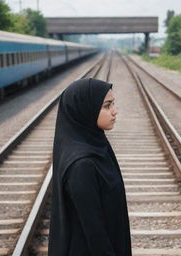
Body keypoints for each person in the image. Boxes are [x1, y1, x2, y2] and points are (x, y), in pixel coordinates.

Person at [48, 78, 132, 256]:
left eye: (113, 104)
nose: (114, 112)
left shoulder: (96, 146)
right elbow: (95, 232)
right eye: (107, 106)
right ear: (85, 109)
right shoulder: (82, 165)